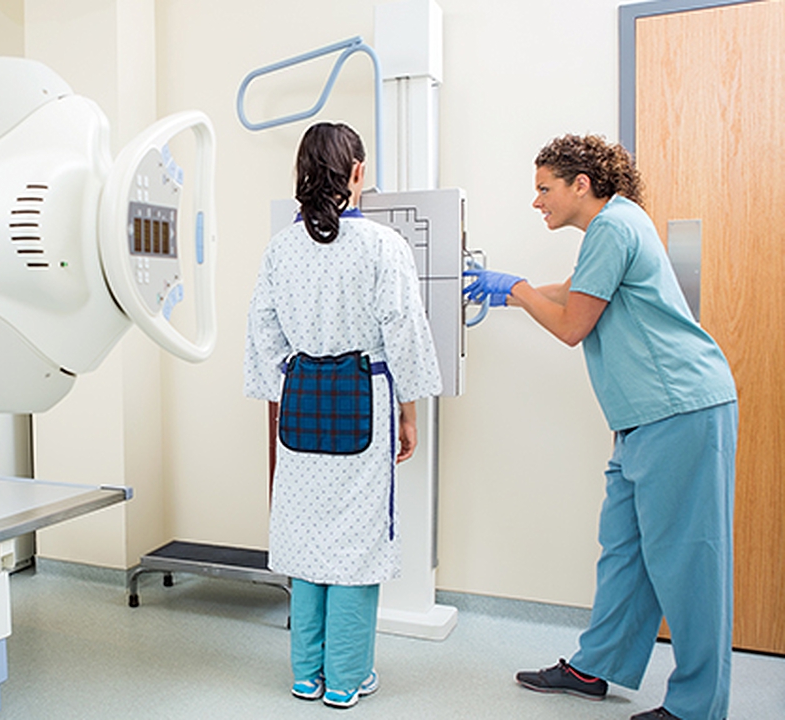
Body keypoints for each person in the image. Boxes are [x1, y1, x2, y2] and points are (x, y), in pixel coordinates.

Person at [464, 134, 738, 720]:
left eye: (545, 189)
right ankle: (597, 666)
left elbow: (573, 325)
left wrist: (516, 288)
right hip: (642, 417)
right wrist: (509, 295)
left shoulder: (613, 226)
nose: (537, 201)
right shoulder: (613, 226)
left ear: (580, 184)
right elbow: (576, 292)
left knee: (690, 561)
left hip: (678, 408)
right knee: (625, 549)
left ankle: (698, 706)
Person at [244, 122, 441, 709]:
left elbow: (263, 333)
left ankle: (307, 675)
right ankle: (348, 678)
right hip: (364, 400)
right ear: (357, 172)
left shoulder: (281, 248)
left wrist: (291, 384)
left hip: (301, 403)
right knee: (356, 543)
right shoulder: (383, 246)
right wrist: (409, 413)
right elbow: (404, 332)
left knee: (303, 538)